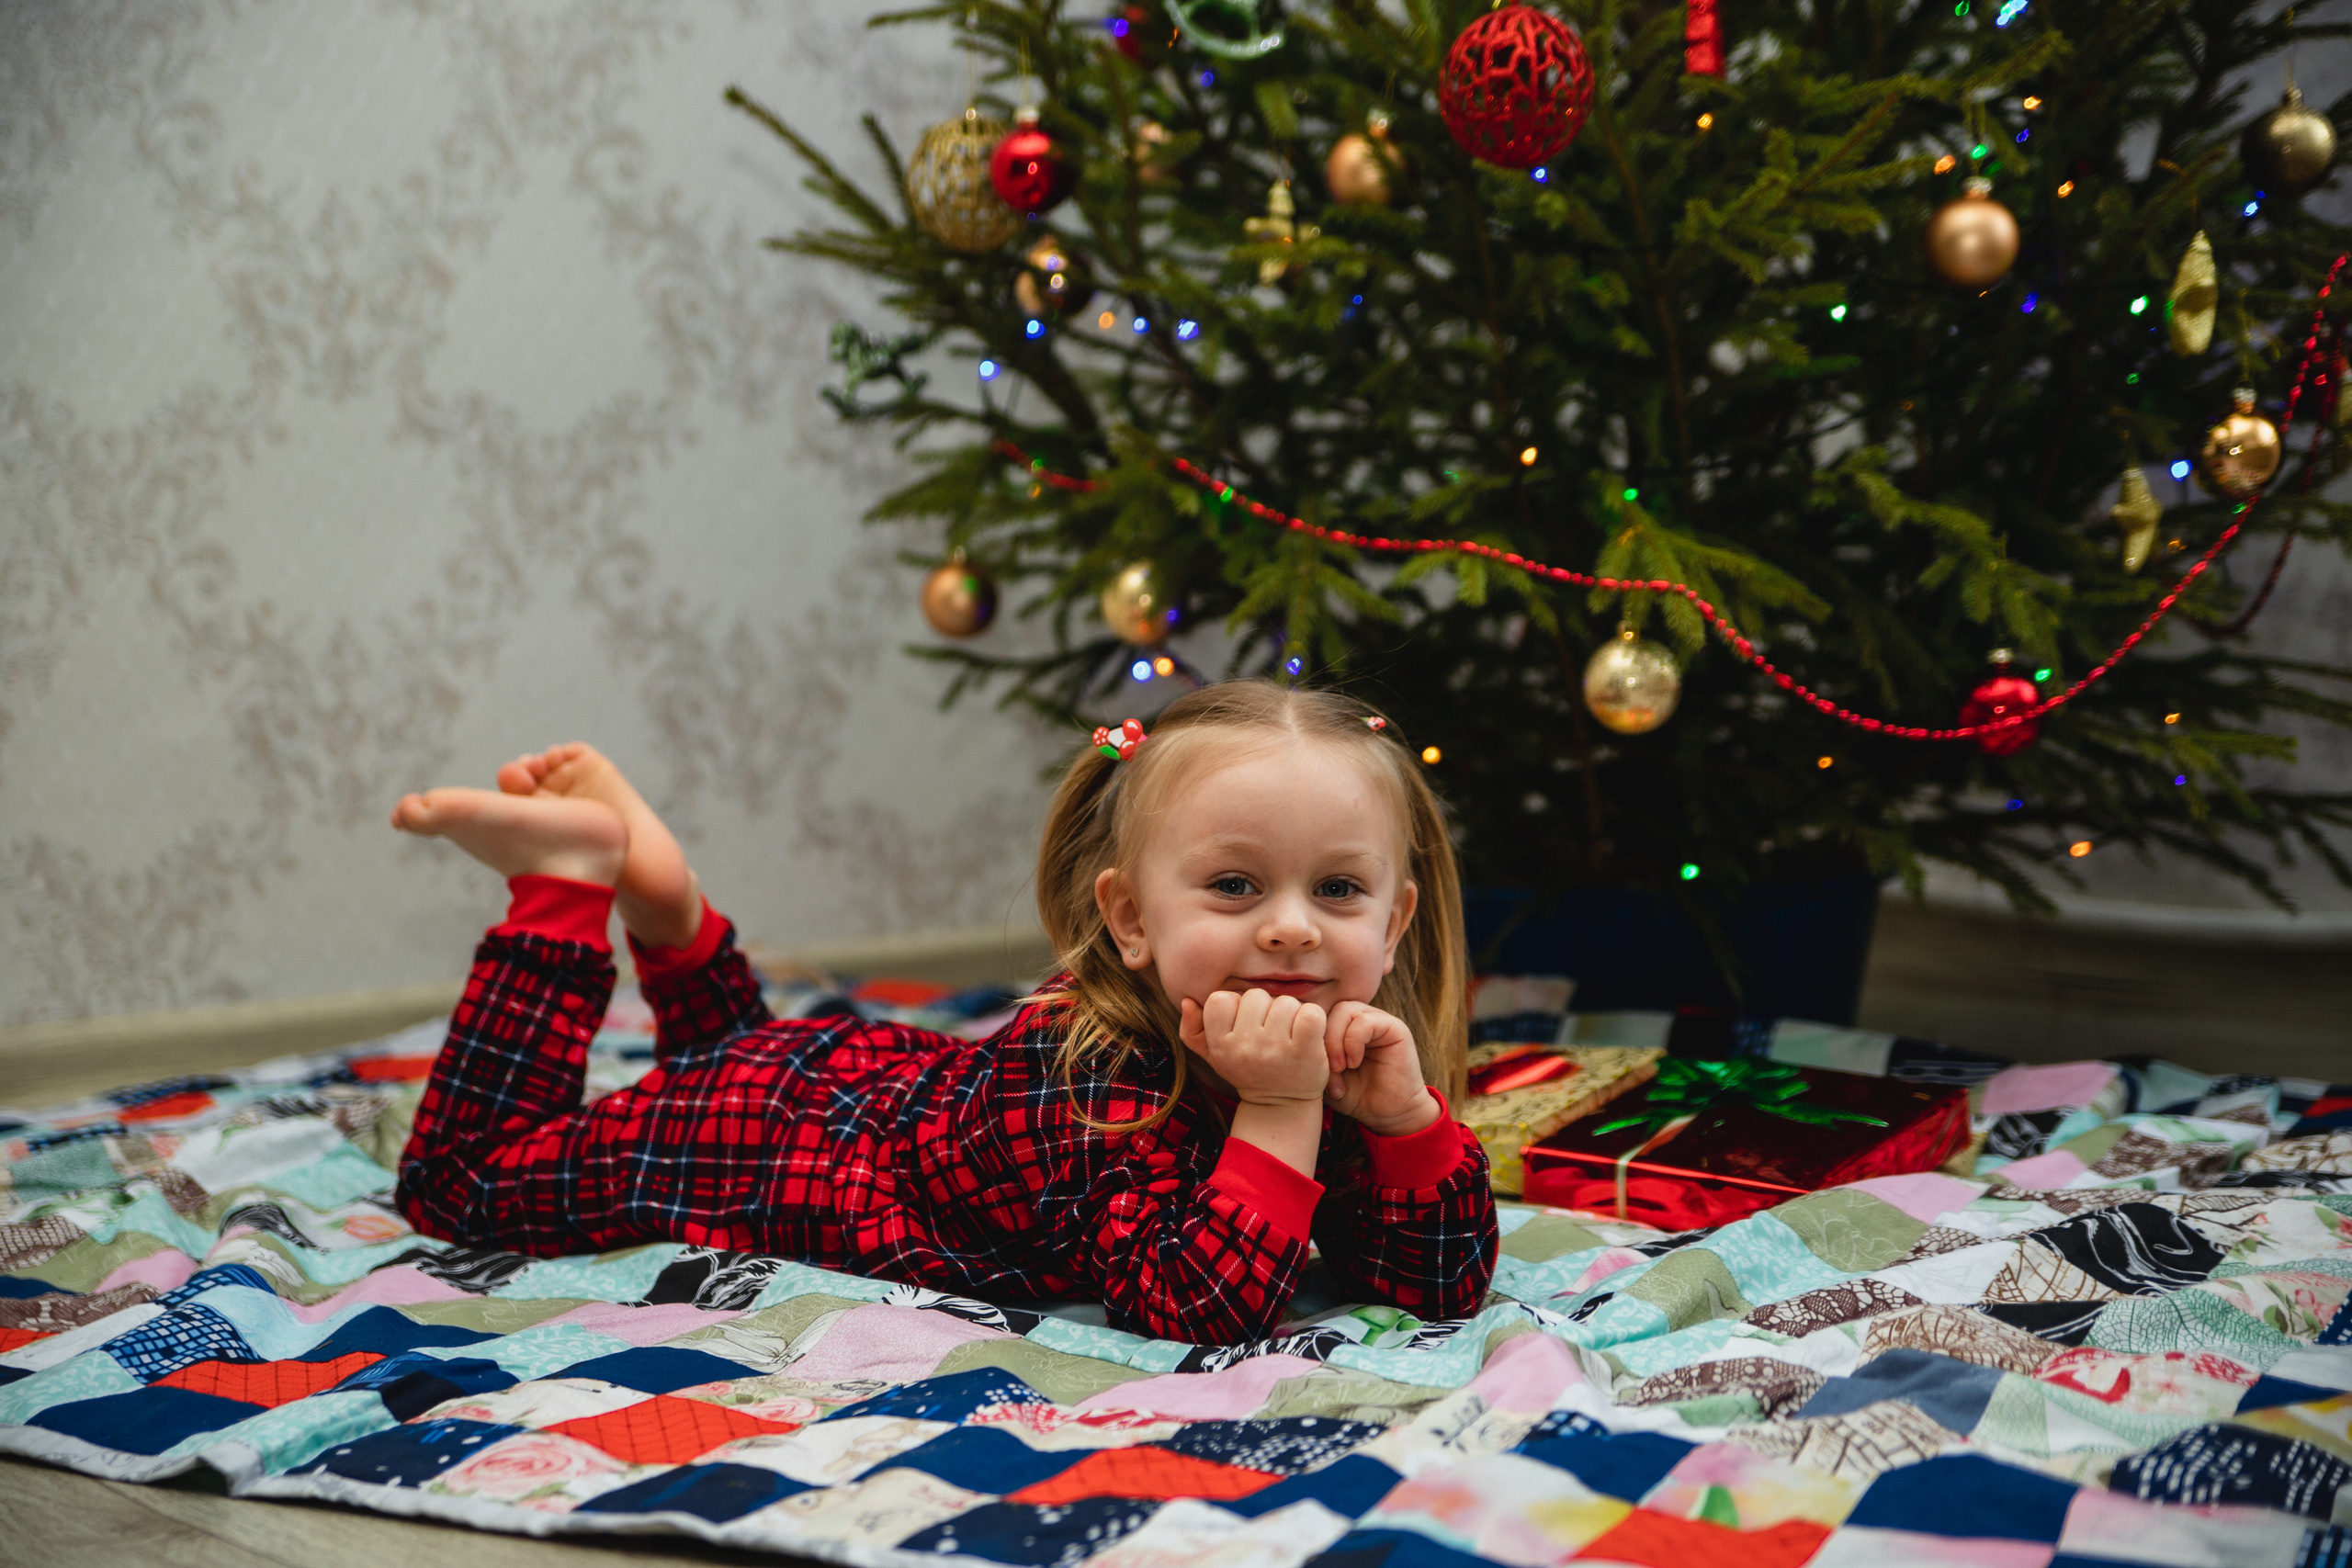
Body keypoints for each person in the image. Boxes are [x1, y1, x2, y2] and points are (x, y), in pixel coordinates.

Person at [389, 681, 1497, 1345]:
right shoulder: (1094, 1070)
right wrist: (1278, 1109)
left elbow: (1432, 1286)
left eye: (1338, 892)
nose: (1294, 929)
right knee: (460, 1183)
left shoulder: (1345, 1048)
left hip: (844, 1079)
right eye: (1236, 887)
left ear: (1393, 923)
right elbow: (1194, 1306)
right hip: (778, 1145)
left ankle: (668, 901)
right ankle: (566, 887)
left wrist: (1407, 1132)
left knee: (733, 1048)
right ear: (1129, 918)